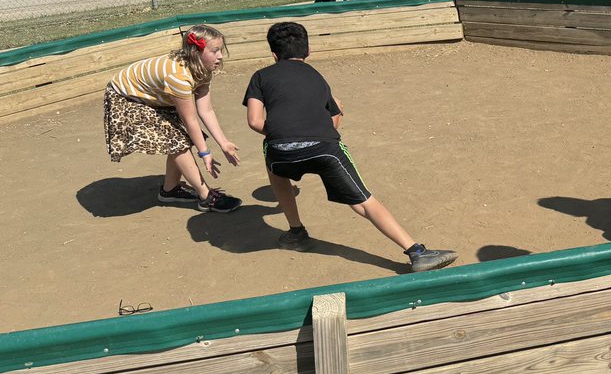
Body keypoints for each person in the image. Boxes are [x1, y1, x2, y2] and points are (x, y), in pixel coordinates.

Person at [243, 21, 458, 272]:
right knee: (362, 201)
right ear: (308, 51)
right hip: (324, 146)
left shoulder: (261, 76)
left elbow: (255, 121)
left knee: (274, 165)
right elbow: (335, 116)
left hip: (281, 149)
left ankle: (296, 232)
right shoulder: (317, 77)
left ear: (273, 54)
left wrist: (285, 133)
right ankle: (417, 252)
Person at [104, 24, 242, 213]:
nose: (220, 56)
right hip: (127, 96)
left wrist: (223, 142)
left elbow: (206, 110)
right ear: (196, 52)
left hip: (154, 95)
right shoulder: (179, 76)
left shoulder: (204, 68)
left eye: (221, 50)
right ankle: (205, 196)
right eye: (215, 51)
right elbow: (190, 119)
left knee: (177, 139)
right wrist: (205, 153)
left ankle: (170, 190)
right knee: (177, 140)